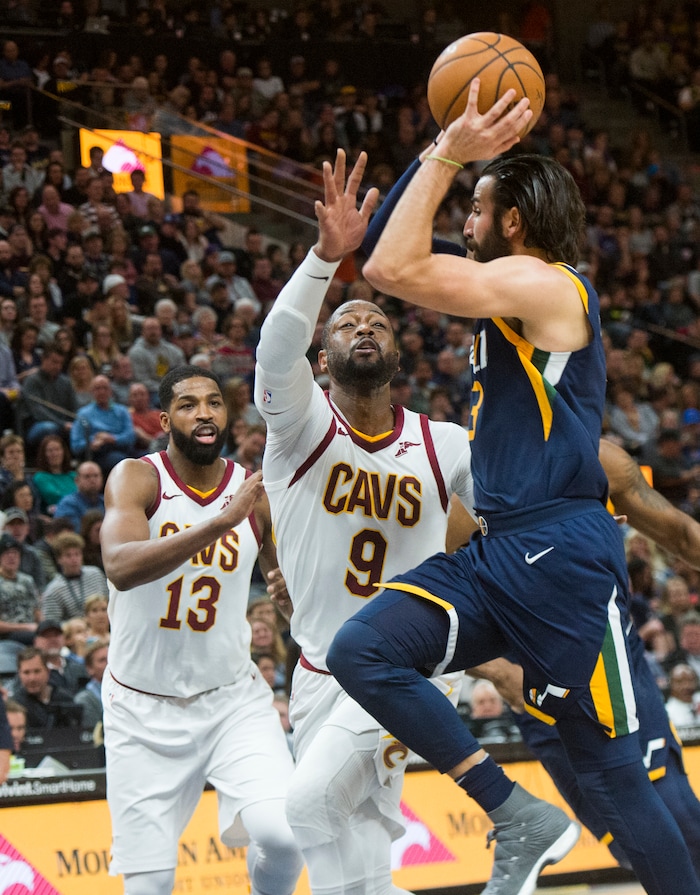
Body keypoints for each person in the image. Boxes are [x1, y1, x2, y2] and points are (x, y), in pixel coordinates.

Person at [325, 88, 700, 895]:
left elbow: (391, 266)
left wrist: (452, 150)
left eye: (477, 208)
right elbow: (385, 252)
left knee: (617, 778)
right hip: (500, 552)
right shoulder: (511, 301)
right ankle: (514, 810)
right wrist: (441, 144)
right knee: (361, 649)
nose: (464, 220)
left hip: (562, 554)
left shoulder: (550, 287)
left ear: (515, 224)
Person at [254, 150, 476, 895]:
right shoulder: (298, 428)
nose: (363, 325)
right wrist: (326, 259)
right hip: (316, 672)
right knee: (346, 870)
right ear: (323, 355)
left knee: (305, 808)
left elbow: (495, 531)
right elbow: (273, 349)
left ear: (396, 352)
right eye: (347, 320)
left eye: (376, 318)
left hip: (401, 671)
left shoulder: (445, 444)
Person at [99, 365, 303, 895]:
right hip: (141, 708)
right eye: (188, 404)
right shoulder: (137, 478)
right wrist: (215, 523)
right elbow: (120, 566)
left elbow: (290, 592)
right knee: (151, 885)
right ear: (166, 419)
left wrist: (290, 604)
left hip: (230, 699)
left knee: (284, 837)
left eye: (213, 402)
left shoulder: (251, 494)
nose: (204, 412)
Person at [69, 374, 136, 476]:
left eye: (105, 388)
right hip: (98, 455)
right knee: (117, 460)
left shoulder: (122, 411)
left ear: (111, 391)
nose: (102, 392)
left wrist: (112, 438)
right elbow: (76, 445)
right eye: (97, 388)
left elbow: (130, 436)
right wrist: (93, 442)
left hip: (122, 448)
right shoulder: (83, 414)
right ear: (92, 392)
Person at [40, 530, 108, 621]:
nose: (74, 559)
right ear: (59, 559)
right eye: (68, 556)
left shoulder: (96, 574)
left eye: (77, 554)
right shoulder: (54, 590)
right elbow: (53, 624)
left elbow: (109, 601)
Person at [12, 646, 82, 729]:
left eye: (37, 671)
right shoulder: (15, 705)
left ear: (48, 672)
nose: (32, 678)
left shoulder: (65, 699)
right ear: (19, 674)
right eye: (26, 672)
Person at [53, 461, 105, 533]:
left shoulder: (106, 502)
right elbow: (72, 533)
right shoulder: (68, 504)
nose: (92, 480)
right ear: (77, 480)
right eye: (87, 476)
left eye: (96, 476)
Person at [74, 638, 108, 730]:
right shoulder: (84, 700)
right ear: (89, 668)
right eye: (102, 660)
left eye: (110, 658)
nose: (108, 663)